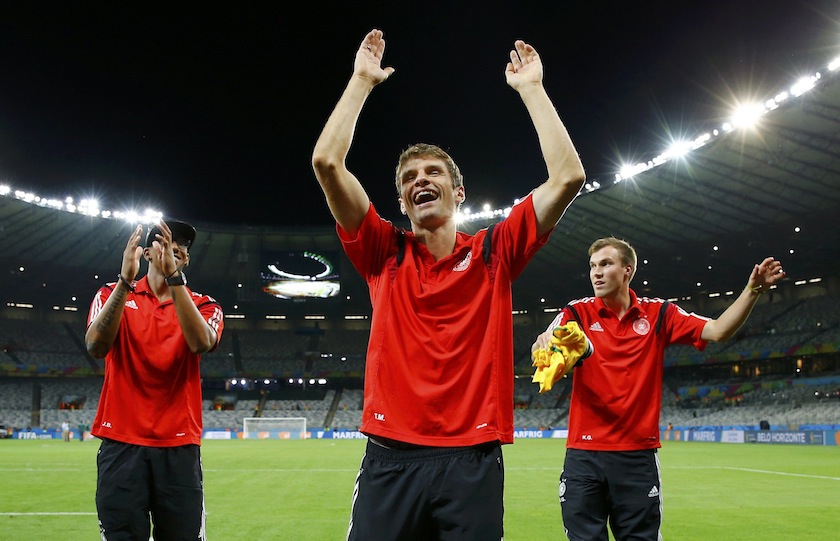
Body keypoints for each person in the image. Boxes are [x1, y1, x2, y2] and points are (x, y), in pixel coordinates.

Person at [311, 28, 585, 540]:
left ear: (458, 192)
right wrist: (360, 82)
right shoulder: (382, 251)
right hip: (391, 456)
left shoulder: (493, 252)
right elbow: (327, 163)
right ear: (401, 202)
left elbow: (568, 176)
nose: (420, 180)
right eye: (409, 176)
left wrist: (532, 90)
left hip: (471, 460)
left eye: (432, 172)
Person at [531, 237, 785, 541]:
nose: (596, 273)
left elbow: (718, 331)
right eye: (592, 266)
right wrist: (543, 342)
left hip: (637, 457)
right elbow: (547, 338)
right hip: (584, 456)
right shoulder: (578, 312)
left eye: (606, 264)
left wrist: (753, 290)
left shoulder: (659, 314)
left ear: (627, 270)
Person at [85, 219, 224, 541]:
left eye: (183, 245)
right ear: (146, 252)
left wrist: (175, 281)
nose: (176, 247)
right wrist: (125, 281)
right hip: (121, 442)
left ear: (186, 259)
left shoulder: (205, 304)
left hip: (178, 445)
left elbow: (201, 343)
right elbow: (95, 346)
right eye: (164, 241)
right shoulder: (110, 293)